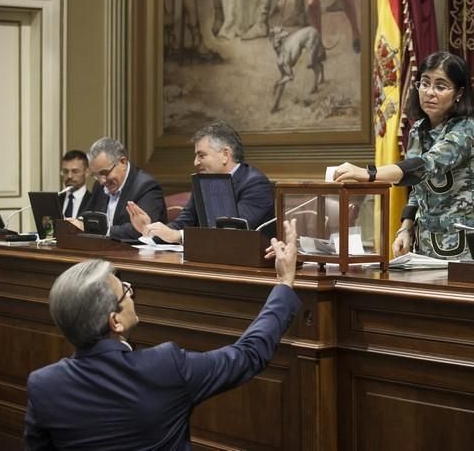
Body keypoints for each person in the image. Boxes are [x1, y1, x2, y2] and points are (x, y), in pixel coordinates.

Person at [24, 219, 301, 450]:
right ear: (115, 322)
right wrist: (285, 284)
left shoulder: (43, 385)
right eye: (125, 290)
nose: (131, 292)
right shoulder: (165, 367)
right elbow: (248, 355)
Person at [334, 51, 474, 260]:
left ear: (458, 93)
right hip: (424, 243)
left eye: (440, 87)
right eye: (424, 84)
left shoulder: (465, 130)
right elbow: (417, 189)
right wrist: (406, 228)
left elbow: (424, 166)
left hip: (463, 246)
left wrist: (368, 173)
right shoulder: (418, 129)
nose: (429, 92)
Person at [127, 121, 276, 243]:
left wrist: (179, 236)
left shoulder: (256, 184)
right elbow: (182, 223)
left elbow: (233, 232)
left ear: (225, 155)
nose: (195, 162)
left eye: (201, 155)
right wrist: (151, 230)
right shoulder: (203, 182)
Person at [71, 137, 167, 240]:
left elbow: (141, 229)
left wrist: (103, 230)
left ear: (123, 163)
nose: (102, 181)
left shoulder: (146, 186)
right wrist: (77, 222)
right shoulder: (99, 186)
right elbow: (87, 216)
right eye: (96, 175)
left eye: (105, 173)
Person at [59, 150, 92, 219]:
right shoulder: (56, 201)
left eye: (75, 171)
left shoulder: (93, 202)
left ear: (87, 172)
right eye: (65, 171)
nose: (69, 176)